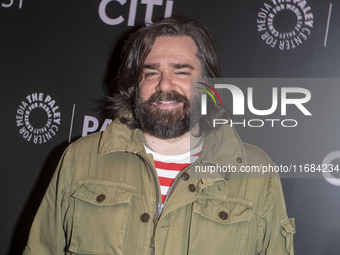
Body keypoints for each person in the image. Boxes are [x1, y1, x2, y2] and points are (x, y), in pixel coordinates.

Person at [23, 17, 295, 255]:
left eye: (181, 71)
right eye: (151, 72)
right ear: (135, 85)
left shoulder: (257, 173)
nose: (165, 85)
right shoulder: (81, 158)